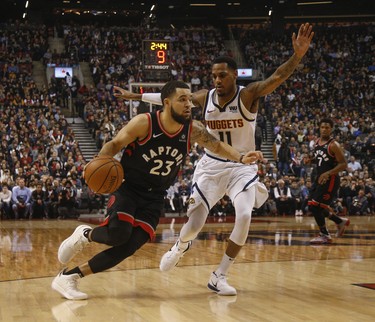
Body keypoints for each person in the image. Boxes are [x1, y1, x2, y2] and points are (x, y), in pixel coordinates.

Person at [114, 23, 314, 295]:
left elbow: (277, 77)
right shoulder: (203, 97)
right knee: (194, 226)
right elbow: (170, 97)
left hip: (241, 166)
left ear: (234, 75)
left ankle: (219, 275)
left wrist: (297, 56)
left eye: (222, 76)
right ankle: (181, 244)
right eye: (214, 76)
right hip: (211, 166)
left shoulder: (248, 95)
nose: (217, 81)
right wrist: (136, 95)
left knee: (243, 215)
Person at [51, 80, 263, 300]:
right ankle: (85, 234)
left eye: (190, 99)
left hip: (155, 196)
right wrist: (98, 162)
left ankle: (69, 277)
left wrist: (240, 157)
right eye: (183, 99)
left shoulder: (193, 130)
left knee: (128, 247)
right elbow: (114, 145)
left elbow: (217, 146)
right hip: (129, 188)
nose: (189, 104)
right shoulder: (144, 123)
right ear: (166, 102)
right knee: (118, 234)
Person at [308, 118, 350, 244]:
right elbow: (321, 159)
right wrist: (310, 160)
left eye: (327, 127)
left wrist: (328, 173)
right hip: (320, 178)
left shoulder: (334, 145)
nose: (324, 129)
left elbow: (343, 164)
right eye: (322, 127)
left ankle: (325, 234)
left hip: (330, 179)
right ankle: (339, 221)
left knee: (315, 206)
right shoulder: (317, 142)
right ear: (319, 128)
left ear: (331, 129)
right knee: (313, 205)